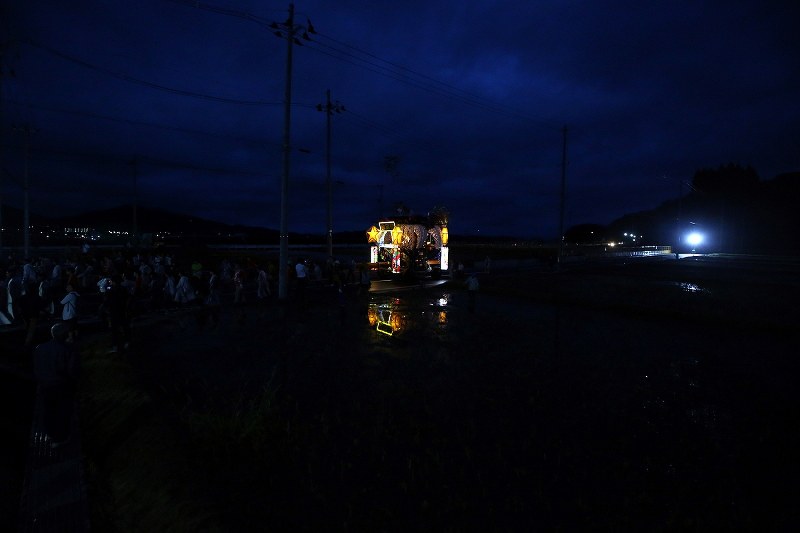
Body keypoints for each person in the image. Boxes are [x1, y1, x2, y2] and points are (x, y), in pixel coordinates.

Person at [33, 322, 79, 446]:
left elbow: (36, 368)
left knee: (49, 411)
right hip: (61, 385)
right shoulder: (68, 349)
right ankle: (61, 438)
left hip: (44, 386)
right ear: (65, 335)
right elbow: (71, 370)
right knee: (63, 412)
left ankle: (50, 434)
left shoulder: (39, 348)